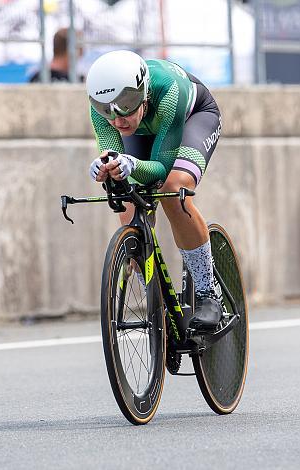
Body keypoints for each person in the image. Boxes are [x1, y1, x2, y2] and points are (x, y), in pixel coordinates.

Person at [86, 50, 223, 331]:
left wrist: (132, 163)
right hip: (146, 130)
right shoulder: (104, 108)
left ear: (143, 91)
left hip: (191, 119)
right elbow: (112, 150)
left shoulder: (169, 91)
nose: (117, 118)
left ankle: (208, 293)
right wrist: (106, 165)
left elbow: (160, 168)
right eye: (106, 110)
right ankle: (155, 299)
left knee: (173, 189)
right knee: (128, 205)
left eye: (126, 104)